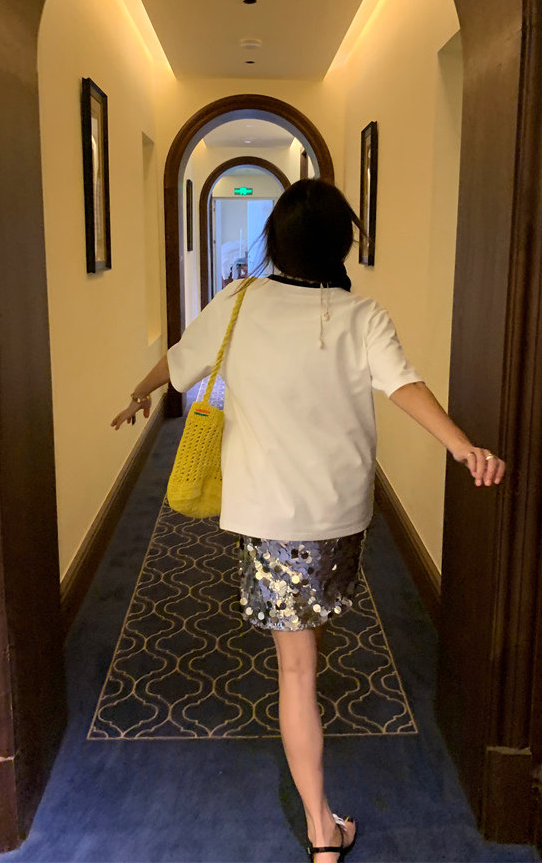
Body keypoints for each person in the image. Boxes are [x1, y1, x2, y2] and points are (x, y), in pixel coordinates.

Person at [111, 179, 506, 863]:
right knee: (312, 636)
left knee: (295, 670)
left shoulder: (239, 301)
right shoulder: (362, 316)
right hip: (338, 515)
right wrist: (460, 444)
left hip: (268, 514)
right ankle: (324, 825)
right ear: (342, 244)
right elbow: (405, 385)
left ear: (276, 243)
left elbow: (179, 360)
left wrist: (139, 394)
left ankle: (321, 832)